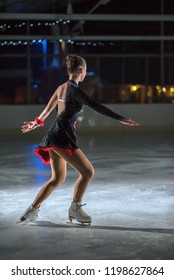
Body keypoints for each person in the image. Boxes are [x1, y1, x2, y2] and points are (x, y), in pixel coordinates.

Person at [20, 54, 139, 225]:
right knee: (88, 172)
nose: (85, 73)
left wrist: (36, 123)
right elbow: (96, 106)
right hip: (62, 137)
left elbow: (47, 109)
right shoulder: (75, 90)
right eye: (86, 70)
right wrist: (120, 118)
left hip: (54, 135)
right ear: (82, 71)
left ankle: (32, 210)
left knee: (57, 179)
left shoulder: (61, 87)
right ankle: (75, 209)